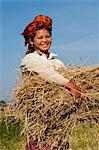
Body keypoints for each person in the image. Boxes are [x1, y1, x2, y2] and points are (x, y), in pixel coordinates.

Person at [21, 15, 82, 149]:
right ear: (31, 41)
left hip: (60, 124)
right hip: (40, 122)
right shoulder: (29, 59)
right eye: (40, 38)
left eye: (47, 36)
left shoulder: (58, 62)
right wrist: (70, 84)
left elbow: (67, 76)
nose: (45, 40)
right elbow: (46, 73)